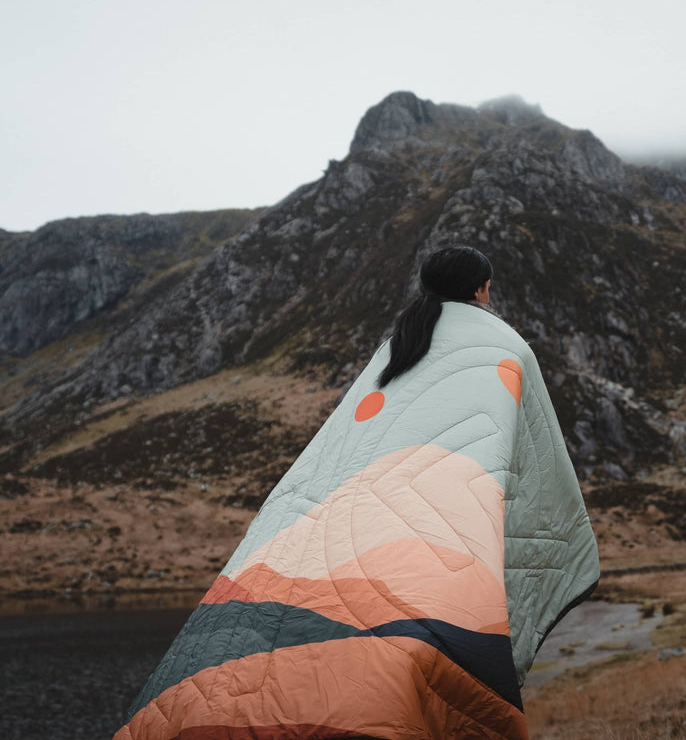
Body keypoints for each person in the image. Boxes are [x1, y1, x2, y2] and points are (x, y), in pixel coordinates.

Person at [115, 245, 599, 740]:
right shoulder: (506, 347)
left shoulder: (395, 347)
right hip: (439, 536)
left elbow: (343, 450)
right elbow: (534, 459)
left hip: (355, 523)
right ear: (483, 288)